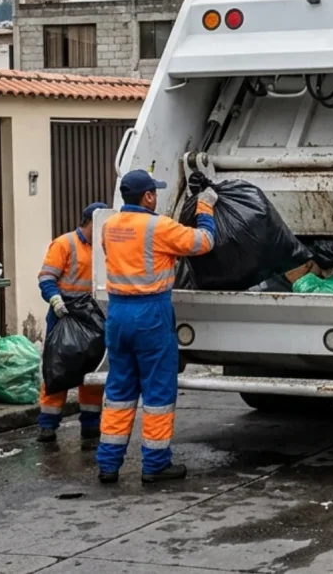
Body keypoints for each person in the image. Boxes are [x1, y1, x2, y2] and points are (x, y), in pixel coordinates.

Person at [97, 170, 217, 484]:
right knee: (157, 391)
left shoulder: (109, 227)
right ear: (148, 196)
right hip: (150, 315)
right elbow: (203, 243)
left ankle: (108, 465)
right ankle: (155, 465)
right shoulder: (159, 227)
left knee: (119, 390)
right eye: (155, 192)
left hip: (117, 314)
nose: (157, 197)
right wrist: (205, 208)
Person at [36, 202, 109, 448]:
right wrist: (54, 298)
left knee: (91, 370)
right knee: (58, 368)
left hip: (91, 316)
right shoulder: (64, 244)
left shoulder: (104, 247)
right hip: (64, 313)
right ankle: (47, 425)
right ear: (89, 222)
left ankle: (90, 424)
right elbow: (47, 277)